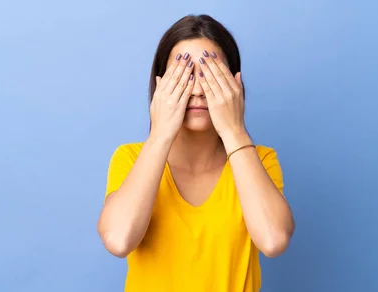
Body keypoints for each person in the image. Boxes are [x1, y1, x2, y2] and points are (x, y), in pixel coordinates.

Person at [97, 14, 295, 292]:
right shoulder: (130, 158)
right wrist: (161, 132)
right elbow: (118, 240)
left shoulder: (259, 160)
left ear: (235, 85)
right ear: (161, 85)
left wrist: (235, 130)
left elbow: (274, 240)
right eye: (184, 76)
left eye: (212, 75)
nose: (199, 90)